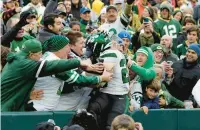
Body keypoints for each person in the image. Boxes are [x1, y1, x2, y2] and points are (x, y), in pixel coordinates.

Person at [1, 39, 92, 111]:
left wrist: (27, 95)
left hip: (10, 105)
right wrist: (78, 62)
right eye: (40, 53)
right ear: (31, 54)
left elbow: (15, 88)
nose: (41, 56)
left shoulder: (19, 59)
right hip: (4, 109)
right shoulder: (24, 64)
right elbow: (52, 65)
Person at [30, 35, 112, 111]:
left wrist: (82, 66)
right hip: (41, 107)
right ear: (60, 48)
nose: (69, 50)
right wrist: (101, 78)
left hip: (40, 105)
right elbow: (78, 79)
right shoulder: (54, 61)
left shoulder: (47, 56)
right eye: (67, 46)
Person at [86, 32, 130, 130]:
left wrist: (87, 74)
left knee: (111, 125)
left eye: (91, 46)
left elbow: (105, 72)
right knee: (91, 113)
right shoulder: (115, 52)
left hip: (116, 94)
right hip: (112, 93)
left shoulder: (110, 53)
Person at [128, 46, 156, 112]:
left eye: (143, 55)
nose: (140, 57)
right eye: (138, 55)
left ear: (148, 59)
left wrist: (131, 65)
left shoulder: (152, 70)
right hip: (135, 106)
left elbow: (146, 74)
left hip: (147, 107)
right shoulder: (134, 71)